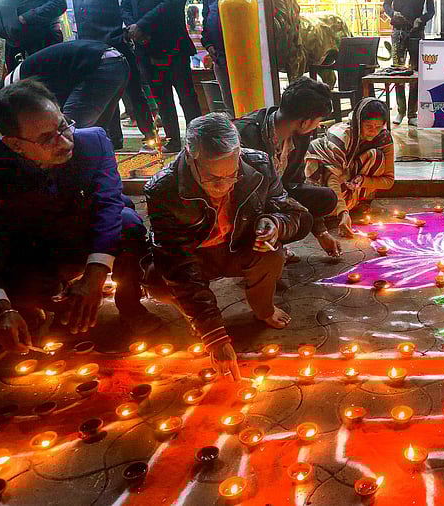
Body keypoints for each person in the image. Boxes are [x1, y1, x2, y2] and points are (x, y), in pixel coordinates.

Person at [143, 113, 311, 381]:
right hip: (196, 256)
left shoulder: (257, 164)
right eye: (212, 178)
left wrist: (275, 223)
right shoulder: (164, 189)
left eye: (231, 176)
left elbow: (296, 213)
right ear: (190, 157)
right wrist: (212, 332)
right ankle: (196, 316)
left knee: (272, 251)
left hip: (238, 245)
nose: (222, 187)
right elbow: (177, 262)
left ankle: (263, 309)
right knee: (156, 279)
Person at [0, 79, 156, 353]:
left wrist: (94, 277)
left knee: (128, 224)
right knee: (21, 286)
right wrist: (0, 306)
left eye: (62, 125)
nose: (64, 141)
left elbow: (108, 205)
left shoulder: (92, 142)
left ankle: (129, 304)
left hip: (85, 235)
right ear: (15, 145)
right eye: (46, 138)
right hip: (35, 249)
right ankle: (60, 310)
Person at [234, 77, 342, 259]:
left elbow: (295, 182)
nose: (317, 126)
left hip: (275, 197)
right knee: (299, 217)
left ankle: (275, 241)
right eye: (317, 121)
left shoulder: (299, 136)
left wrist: (321, 232)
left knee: (326, 198)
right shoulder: (246, 135)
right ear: (305, 122)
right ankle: (258, 255)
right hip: (244, 207)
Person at [2, 40, 130, 150]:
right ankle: (103, 168)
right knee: (97, 131)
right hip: (117, 62)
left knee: (69, 131)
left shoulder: (26, 80)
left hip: (99, 67)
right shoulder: (30, 68)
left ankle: (78, 173)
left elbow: (51, 109)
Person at [305, 98, 394, 237]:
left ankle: (351, 205)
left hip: (348, 178)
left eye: (378, 127)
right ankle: (337, 211)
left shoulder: (383, 138)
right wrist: (343, 212)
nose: (373, 132)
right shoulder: (341, 136)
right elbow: (331, 178)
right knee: (326, 205)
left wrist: (363, 180)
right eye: (368, 126)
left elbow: (389, 181)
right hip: (324, 178)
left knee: (376, 156)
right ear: (359, 123)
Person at [73, 0, 157, 147]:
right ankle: (118, 138)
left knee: (131, 92)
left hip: (110, 44)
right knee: (116, 95)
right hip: (98, 46)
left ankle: (146, 134)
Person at [121, 0, 203, 152]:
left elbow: (172, 4)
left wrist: (141, 26)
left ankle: (198, 141)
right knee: (162, 99)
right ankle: (173, 141)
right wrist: (134, 29)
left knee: (187, 98)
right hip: (145, 47)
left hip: (173, 45)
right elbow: (125, 6)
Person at [383, 0, 435, 126]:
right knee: (397, 71)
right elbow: (386, 5)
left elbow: (431, 11)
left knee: (416, 72)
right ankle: (401, 111)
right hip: (398, 31)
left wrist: (421, 20)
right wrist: (392, 13)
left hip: (416, 31)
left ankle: (412, 114)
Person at [0, 0, 66, 72]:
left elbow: (59, 4)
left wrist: (27, 17)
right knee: (16, 81)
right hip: (12, 42)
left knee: (46, 78)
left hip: (41, 40)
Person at [201, 0, 233, 113]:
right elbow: (206, 21)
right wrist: (208, 43)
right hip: (220, 56)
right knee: (229, 101)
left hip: (244, 53)